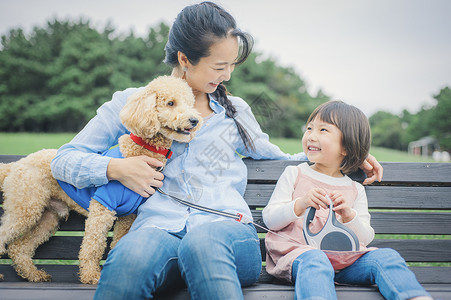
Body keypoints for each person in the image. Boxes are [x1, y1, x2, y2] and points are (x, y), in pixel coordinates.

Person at [51, 2, 383, 299]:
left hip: (229, 234)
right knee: (130, 256)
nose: (227, 75)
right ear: (185, 59)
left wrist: (346, 155)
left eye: (232, 65)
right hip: (159, 228)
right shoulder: (133, 103)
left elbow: (275, 155)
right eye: (219, 66)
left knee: (203, 242)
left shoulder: (235, 110)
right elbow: (63, 161)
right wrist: (118, 169)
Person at [263, 101, 432, 300]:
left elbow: (366, 238)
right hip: (300, 258)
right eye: (309, 128)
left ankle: (414, 297)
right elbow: (270, 219)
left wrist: (349, 216)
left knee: (386, 256)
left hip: (346, 262)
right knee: (316, 260)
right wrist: (300, 203)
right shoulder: (295, 173)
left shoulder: (355, 189)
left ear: (346, 147)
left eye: (323, 130)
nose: (311, 135)